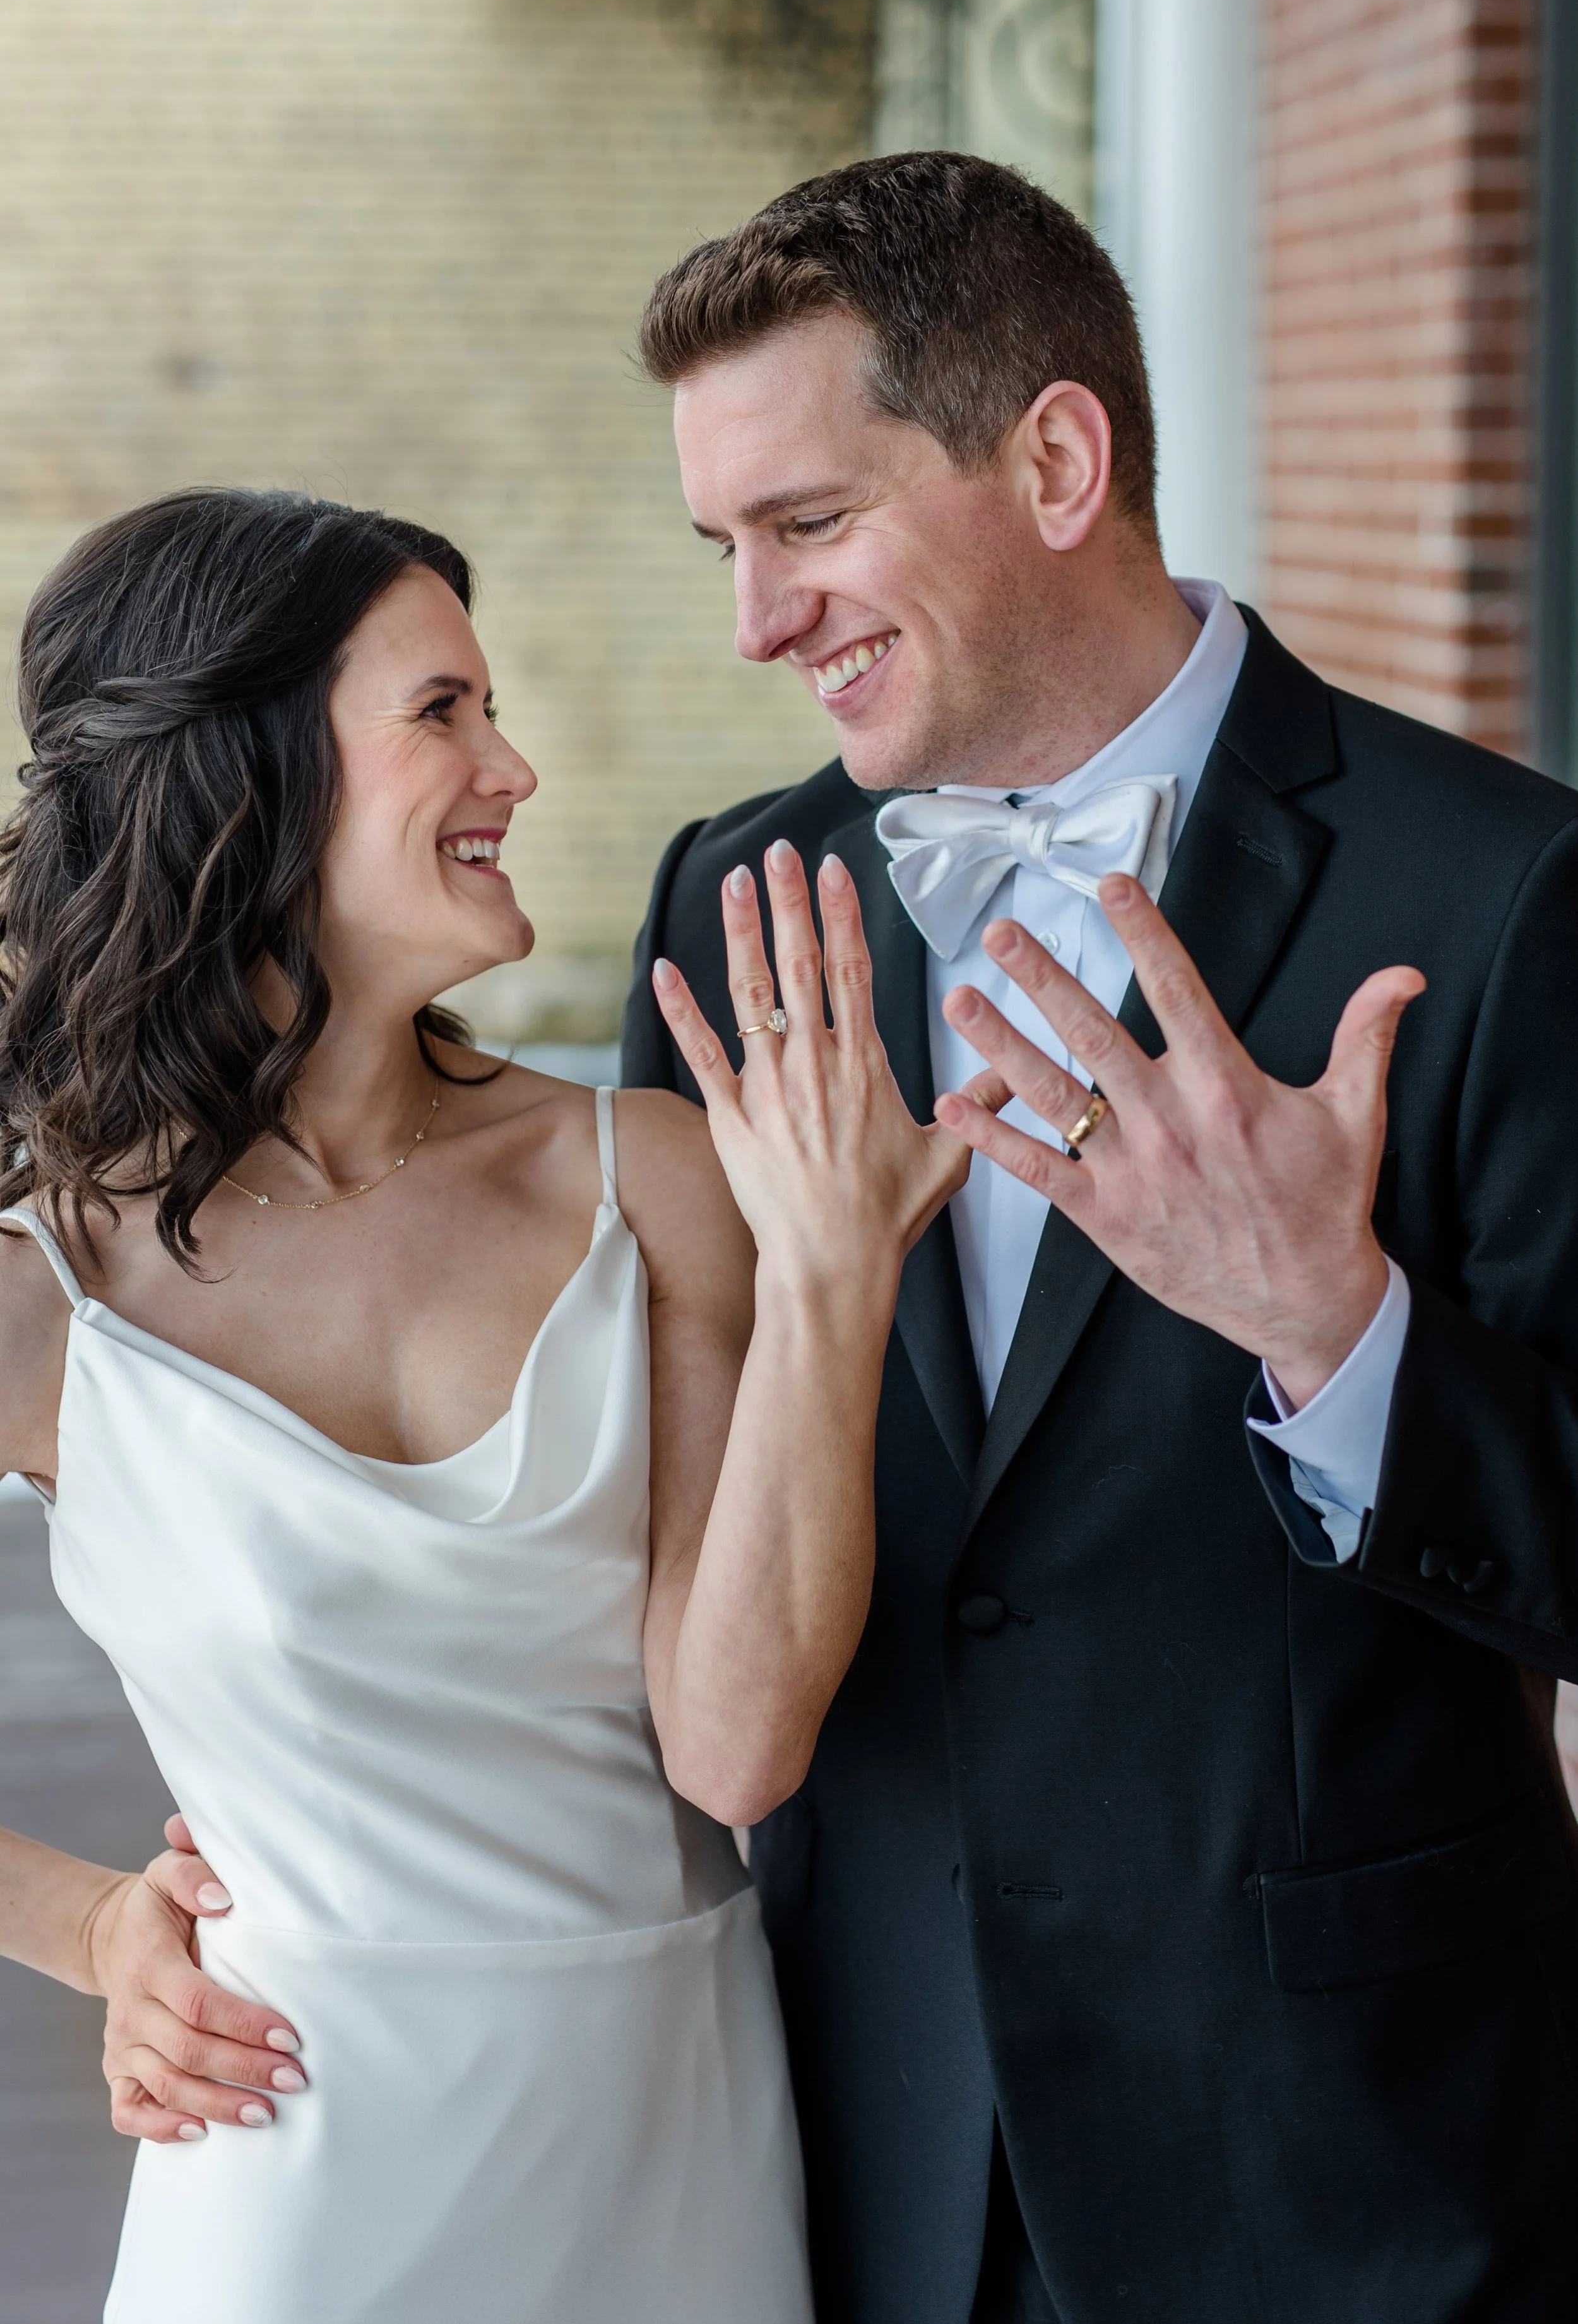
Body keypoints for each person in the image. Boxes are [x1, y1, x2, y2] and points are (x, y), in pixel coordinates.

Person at [614, 155, 1578, 2320]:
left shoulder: (1500, 901)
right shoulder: (735, 903)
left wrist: (1335, 1330)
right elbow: (654, 1523)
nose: (755, 623)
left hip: (1338, 2164)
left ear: (1053, 458)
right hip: (848, 2138)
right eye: (725, 547)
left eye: (807, 525)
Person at [0, 485, 981, 2322]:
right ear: (252, 770)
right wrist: (89, 1926)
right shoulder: (48, 1287)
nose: (511, 766)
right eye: (442, 712)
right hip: (294, 2170)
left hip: (667, 2154)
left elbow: (739, 1747)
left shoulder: (648, 1176)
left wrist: (835, 1282)